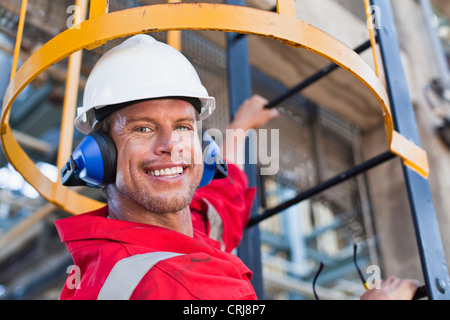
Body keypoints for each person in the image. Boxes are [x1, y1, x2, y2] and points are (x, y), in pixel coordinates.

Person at [55, 34, 421, 300]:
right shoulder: (184, 285)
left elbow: (217, 206)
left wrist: (239, 129)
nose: (171, 146)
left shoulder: (123, 253)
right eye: (143, 128)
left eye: (183, 127)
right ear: (99, 156)